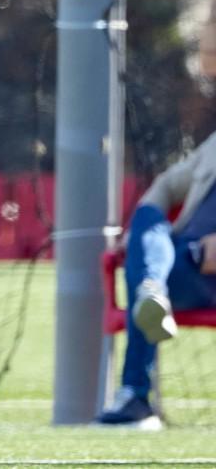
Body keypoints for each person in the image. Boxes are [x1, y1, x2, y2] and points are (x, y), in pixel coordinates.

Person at [97, 131, 216, 429]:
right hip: (182, 263)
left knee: (142, 262)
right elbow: (167, 184)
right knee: (146, 218)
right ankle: (152, 289)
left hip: (207, 273)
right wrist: (137, 235)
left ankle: (135, 396)